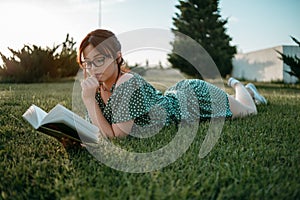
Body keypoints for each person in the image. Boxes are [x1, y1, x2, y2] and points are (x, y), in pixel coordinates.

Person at [78, 29, 267, 139]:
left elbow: (116, 136)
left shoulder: (127, 83)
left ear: (117, 56)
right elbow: (95, 126)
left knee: (248, 111)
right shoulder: (96, 86)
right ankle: (242, 92)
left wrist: (88, 101)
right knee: (237, 105)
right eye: (88, 62)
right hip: (174, 96)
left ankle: (241, 87)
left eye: (100, 59)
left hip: (193, 100)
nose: (93, 68)